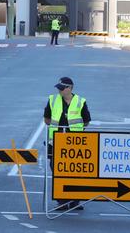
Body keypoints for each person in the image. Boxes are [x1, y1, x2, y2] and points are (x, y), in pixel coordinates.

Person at [44, 76, 91, 211]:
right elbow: (47, 119)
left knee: (75, 171)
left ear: (70, 88)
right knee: (57, 169)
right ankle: (62, 200)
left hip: (75, 144)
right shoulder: (53, 100)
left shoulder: (80, 102)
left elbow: (86, 121)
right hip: (56, 142)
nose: (59, 91)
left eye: (62, 89)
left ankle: (75, 200)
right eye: (58, 89)